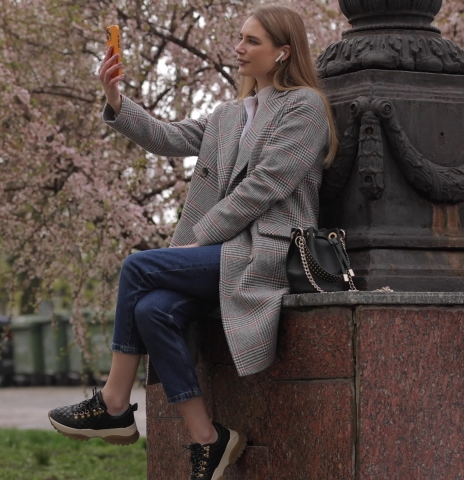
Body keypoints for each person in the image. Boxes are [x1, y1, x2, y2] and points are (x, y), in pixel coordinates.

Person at [48, 4, 338, 479]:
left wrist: (201, 238)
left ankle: (114, 403)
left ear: (283, 52)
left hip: (265, 252)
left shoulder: (304, 108)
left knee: (138, 268)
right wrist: (115, 97)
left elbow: (264, 186)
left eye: (252, 42)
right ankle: (208, 438)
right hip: (221, 254)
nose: (238, 49)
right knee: (151, 309)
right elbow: (167, 137)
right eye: (240, 38)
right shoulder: (229, 114)